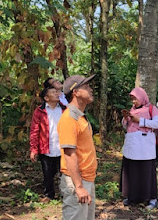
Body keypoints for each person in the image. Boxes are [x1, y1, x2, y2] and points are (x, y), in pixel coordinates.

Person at [57, 74, 97, 220]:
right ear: (76, 92)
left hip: (87, 179)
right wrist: (79, 187)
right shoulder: (69, 119)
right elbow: (69, 154)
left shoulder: (80, 116)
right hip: (77, 182)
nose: (91, 90)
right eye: (86, 87)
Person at [120, 87, 158, 210]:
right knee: (132, 169)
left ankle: (151, 198)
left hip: (144, 145)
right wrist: (126, 118)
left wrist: (141, 121)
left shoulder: (151, 108)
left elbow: (157, 124)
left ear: (142, 97)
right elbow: (126, 126)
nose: (134, 102)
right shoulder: (133, 110)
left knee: (146, 170)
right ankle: (132, 196)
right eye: (132, 100)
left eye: (136, 99)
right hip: (132, 144)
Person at [30, 86, 66, 201]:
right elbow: (35, 130)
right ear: (46, 98)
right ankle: (49, 195)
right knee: (48, 174)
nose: (56, 94)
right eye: (53, 92)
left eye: (57, 92)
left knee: (64, 172)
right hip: (47, 147)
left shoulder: (64, 109)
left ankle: (66, 194)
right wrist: (34, 149)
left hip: (62, 147)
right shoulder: (40, 111)